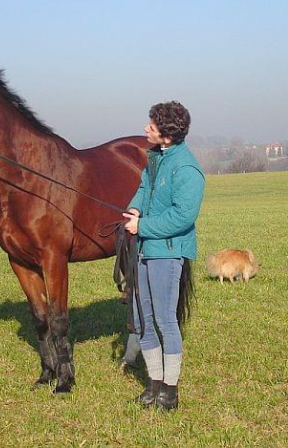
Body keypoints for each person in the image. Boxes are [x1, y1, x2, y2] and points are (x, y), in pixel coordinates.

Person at [123, 101, 205, 410]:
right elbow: (145, 187)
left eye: (152, 126)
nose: (146, 128)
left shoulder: (187, 170)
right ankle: (154, 384)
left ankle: (170, 390)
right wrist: (135, 207)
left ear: (167, 135)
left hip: (168, 254)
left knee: (165, 321)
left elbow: (182, 217)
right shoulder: (156, 158)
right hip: (145, 249)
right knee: (143, 320)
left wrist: (141, 225)